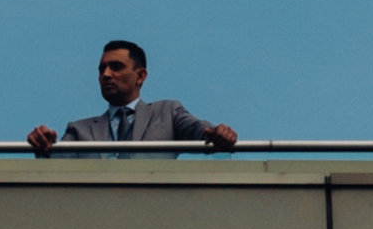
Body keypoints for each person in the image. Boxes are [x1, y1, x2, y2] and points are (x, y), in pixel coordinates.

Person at [27, 40, 238, 158]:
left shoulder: (167, 113)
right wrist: (43, 145)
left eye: (116, 67)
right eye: (102, 69)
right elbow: (54, 166)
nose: (106, 74)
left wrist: (219, 134)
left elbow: (201, 132)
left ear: (140, 76)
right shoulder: (79, 130)